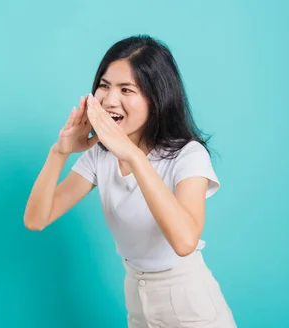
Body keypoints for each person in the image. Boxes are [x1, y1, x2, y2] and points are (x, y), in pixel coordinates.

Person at [23, 35, 237, 328]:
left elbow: (185, 241)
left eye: (127, 89)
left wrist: (134, 157)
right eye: (104, 85)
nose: (110, 100)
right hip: (137, 301)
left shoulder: (188, 155)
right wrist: (59, 152)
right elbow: (37, 219)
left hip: (191, 306)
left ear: (156, 97)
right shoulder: (100, 156)